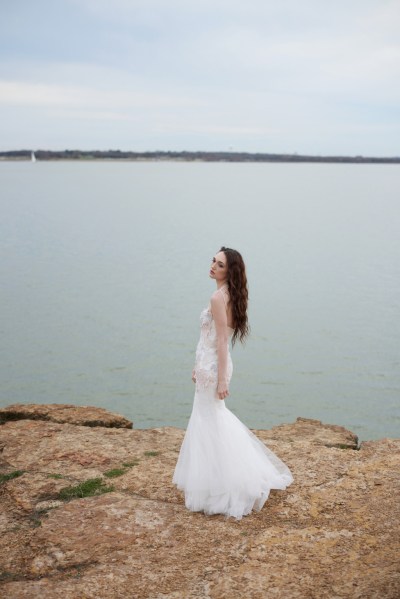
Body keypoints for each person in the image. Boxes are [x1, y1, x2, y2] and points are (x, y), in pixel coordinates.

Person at [173, 247, 293, 520]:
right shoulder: (231, 296)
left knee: (210, 419)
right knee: (210, 417)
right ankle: (218, 478)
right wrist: (199, 365)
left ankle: (222, 483)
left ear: (230, 271)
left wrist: (221, 379)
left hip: (214, 366)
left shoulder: (218, 297)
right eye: (213, 261)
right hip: (210, 365)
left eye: (220, 264)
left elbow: (221, 342)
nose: (213, 266)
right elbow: (214, 339)